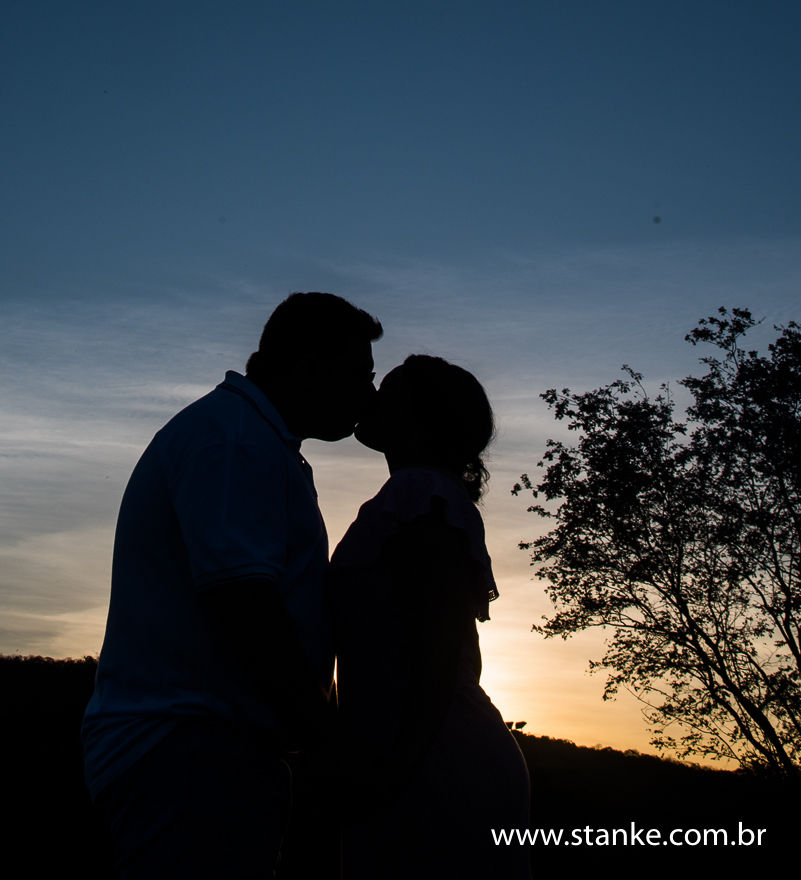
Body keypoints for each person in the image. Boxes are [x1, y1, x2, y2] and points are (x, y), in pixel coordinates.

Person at [82, 291, 382, 880]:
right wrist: (329, 743)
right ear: (307, 368)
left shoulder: (250, 439)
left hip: (202, 752)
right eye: (357, 377)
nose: (366, 397)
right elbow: (246, 605)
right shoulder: (235, 441)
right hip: (190, 749)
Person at [328, 354, 531, 879]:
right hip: (414, 754)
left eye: (388, 391)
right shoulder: (421, 497)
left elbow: (441, 650)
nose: (371, 399)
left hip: (427, 763)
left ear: (421, 417)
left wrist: (394, 772)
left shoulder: (422, 496)